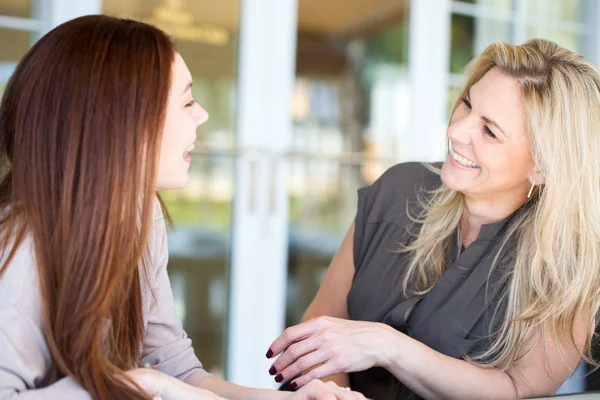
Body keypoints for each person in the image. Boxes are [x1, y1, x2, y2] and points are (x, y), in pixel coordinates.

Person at [0, 15, 368, 400]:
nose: (202, 115)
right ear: (125, 121)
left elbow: (173, 367)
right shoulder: (20, 249)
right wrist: (138, 384)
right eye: (187, 101)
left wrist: (287, 399)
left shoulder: (140, 216)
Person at [266, 39, 600, 399]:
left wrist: (388, 346)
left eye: (489, 131)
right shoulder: (397, 190)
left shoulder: (569, 263)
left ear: (542, 167)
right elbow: (321, 327)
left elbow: (517, 391)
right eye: (468, 104)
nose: (457, 131)